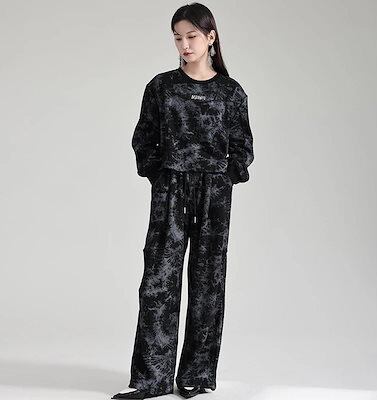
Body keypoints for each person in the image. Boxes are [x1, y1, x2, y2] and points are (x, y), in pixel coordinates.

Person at [112, 2, 254, 399]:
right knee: (158, 282)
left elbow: (243, 145)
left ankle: (196, 375)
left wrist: (225, 177)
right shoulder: (161, 87)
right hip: (170, 190)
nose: (184, 44)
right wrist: (159, 175)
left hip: (213, 195)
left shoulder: (230, 92)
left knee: (208, 282)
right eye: (177, 37)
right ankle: (152, 378)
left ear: (211, 37)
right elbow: (144, 137)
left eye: (191, 36)